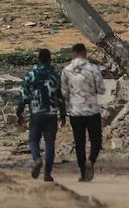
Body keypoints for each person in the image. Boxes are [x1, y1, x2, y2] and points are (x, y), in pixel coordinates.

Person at [16, 48, 67, 182]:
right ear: (50, 59)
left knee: (33, 140)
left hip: (36, 112)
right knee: (50, 143)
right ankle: (47, 174)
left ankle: (37, 159)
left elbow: (23, 95)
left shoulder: (31, 75)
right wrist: (63, 114)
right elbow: (60, 96)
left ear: (38, 59)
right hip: (51, 113)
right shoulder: (54, 75)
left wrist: (19, 113)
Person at [61, 43, 106, 182]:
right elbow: (101, 89)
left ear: (73, 53)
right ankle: (91, 161)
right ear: (85, 53)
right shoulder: (93, 68)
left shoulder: (66, 70)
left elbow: (64, 93)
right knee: (96, 140)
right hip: (92, 110)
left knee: (79, 143)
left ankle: (82, 173)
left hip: (75, 112)